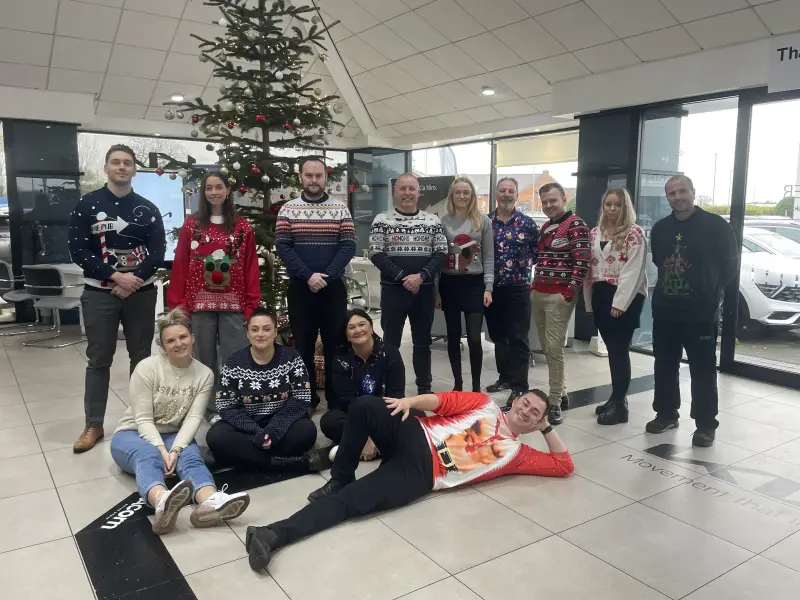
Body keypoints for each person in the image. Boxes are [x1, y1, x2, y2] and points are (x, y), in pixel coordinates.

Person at [245, 388, 573, 570]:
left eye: (535, 414)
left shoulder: (518, 453)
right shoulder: (485, 405)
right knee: (362, 405)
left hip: (422, 475)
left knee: (349, 505)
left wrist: (546, 428)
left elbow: (564, 465)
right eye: (526, 404)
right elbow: (443, 401)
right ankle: (340, 475)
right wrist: (409, 402)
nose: (527, 412)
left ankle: (271, 535)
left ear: (536, 424)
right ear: (515, 400)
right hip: (415, 433)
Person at [110, 308, 250, 535]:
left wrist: (175, 450)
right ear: (163, 345)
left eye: (183, 337)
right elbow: (143, 418)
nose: (178, 344)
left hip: (174, 433)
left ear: (192, 338)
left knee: (192, 458)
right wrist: (161, 450)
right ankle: (162, 502)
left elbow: (194, 417)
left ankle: (211, 502)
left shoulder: (204, 374)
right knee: (148, 456)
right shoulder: (147, 368)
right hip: (132, 433)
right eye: (170, 340)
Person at [69, 144, 166, 453]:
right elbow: (78, 250)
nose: (122, 167)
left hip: (141, 292)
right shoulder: (87, 205)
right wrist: (116, 276)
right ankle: (93, 424)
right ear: (106, 168)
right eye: (116, 162)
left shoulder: (148, 208)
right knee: (99, 360)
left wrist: (133, 281)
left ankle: (143, 420)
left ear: (134, 169)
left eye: (127, 163)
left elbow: (158, 250)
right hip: (100, 294)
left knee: (141, 359)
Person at [646, 175, 737, 447]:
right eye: (671, 193)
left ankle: (705, 424)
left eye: (682, 191)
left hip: (700, 312)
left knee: (703, 369)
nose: (677, 197)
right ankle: (666, 413)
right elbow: (660, 262)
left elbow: (730, 266)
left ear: (693, 192)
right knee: (664, 364)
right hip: (665, 311)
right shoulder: (661, 228)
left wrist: (712, 293)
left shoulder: (716, 226)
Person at [167, 171, 260, 410]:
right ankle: (208, 408)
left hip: (235, 305)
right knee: (203, 360)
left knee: (235, 358)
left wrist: (251, 303)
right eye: (209, 188)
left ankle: (233, 405)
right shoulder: (191, 226)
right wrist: (178, 303)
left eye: (219, 187)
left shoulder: (242, 227)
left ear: (228, 190)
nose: (214, 192)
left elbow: (250, 267)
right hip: (198, 307)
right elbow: (180, 265)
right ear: (203, 192)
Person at [276, 158, 356, 412]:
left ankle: (336, 399)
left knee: (336, 345)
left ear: (325, 177)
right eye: (308, 175)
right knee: (302, 347)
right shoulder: (288, 209)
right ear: (301, 177)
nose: (313, 180)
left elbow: (348, 245)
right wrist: (308, 275)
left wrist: (326, 276)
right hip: (301, 288)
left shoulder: (340, 209)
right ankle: (306, 400)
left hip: (332, 288)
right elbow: (283, 246)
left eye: (318, 176)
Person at [205, 309, 330, 471]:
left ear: (275, 332)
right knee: (216, 436)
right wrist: (255, 432)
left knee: (306, 431)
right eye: (254, 329)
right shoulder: (234, 362)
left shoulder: (291, 357)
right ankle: (280, 462)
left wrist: (274, 431)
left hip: (282, 423)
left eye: (266, 329)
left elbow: (300, 399)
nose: (260, 334)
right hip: (246, 425)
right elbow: (226, 405)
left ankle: (245, 457)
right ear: (247, 333)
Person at [369, 173, 447, 394]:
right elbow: (376, 253)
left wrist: (420, 276)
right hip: (394, 292)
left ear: (419, 192)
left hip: (423, 292)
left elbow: (441, 252)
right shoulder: (381, 220)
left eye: (412, 189)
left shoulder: (432, 220)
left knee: (423, 342)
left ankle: (424, 387)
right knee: (391, 343)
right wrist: (404, 276)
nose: (407, 193)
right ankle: (392, 388)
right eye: (403, 189)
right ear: (395, 192)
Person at [584, 189, 648, 425]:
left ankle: (621, 405)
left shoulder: (635, 234)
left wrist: (620, 303)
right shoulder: (594, 232)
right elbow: (590, 270)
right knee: (612, 350)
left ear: (625, 207)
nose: (612, 209)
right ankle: (615, 397)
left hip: (626, 296)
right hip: (601, 292)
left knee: (620, 351)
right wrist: (589, 301)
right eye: (608, 204)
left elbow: (634, 271)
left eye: (617, 205)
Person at [530, 182, 590, 425]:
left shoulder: (576, 225)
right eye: (544, 202)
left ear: (564, 198)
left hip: (559, 296)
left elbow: (583, 262)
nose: (548, 205)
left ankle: (554, 401)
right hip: (539, 292)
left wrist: (569, 293)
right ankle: (562, 393)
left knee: (554, 348)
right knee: (546, 346)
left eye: (552, 200)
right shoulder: (546, 226)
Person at [322, 309, 405, 459]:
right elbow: (345, 400)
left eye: (362, 324)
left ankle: (358, 445)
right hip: (356, 415)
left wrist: (373, 436)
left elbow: (397, 395)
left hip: (385, 413)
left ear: (371, 327)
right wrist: (369, 436)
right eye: (351, 327)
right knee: (329, 421)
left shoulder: (390, 353)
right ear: (346, 335)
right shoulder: (340, 360)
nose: (358, 330)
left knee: (411, 418)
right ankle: (377, 444)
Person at [485, 177, 540, 405]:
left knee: (518, 338)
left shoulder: (528, 224)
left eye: (511, 191)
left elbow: (537, 253)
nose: (506, 194)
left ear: (516, 196)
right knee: (498, 337)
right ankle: (505, 377)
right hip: (491, 289)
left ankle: (520, 386)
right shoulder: (485, 222)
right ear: (496, 194)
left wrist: (523, 268)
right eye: (502, 190)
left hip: (518, 288)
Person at [437, 176, 494, 392]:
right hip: (449, 284)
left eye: (466, 192)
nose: (462, 196)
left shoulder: (483, 220)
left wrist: (488, 287)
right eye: (458, 192)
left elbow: (489, 256)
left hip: (474, 285)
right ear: (452, 195)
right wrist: (436, 291)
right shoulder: (443, 221)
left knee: (474, 339)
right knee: (452, 337)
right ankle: (458, 384)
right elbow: (438, 256)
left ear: (472, 196)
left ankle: (476, 388)